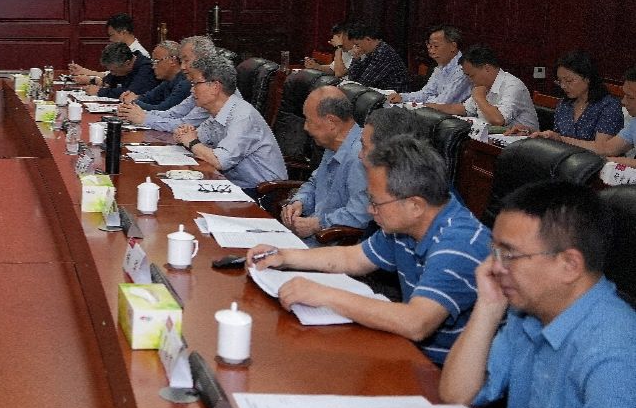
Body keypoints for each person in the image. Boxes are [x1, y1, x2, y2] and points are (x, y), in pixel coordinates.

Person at [394, 182, 636, 408]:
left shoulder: (615, 350)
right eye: (494, 252)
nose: (493, 267)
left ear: (569, 264)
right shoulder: (533, 312)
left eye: (509, 255)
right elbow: (458, 394)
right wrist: (488, 307)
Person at [248, 136, 490, 364]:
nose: (369, 211)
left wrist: (325, 295)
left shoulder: (458, 244)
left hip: (442, 371)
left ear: (415, 205)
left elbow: (416, 323)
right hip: (409, 352)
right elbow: (352, 258)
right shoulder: (407, 224)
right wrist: (285, 255)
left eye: (375, 202)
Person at [173, 54, 286, 189]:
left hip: (263, 191)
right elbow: (196, 139)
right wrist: (183, 134)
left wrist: (191, 141)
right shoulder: (217, 114)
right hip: (235, 185)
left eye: (195, 83)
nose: (192, 90)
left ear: (215, 87)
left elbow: (220, 161)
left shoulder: (243, 116)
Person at [281, 86, 370, 240]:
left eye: (309, 120)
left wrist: (317, 224)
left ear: (331, 122)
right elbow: (315, 183)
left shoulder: (361, 156)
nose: (305, 127)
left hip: (335, 245)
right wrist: (299, 202)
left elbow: (360, 214)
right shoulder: (333, 144)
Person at [531, 50, 624, 151]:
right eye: (560, 81)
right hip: (566, 157)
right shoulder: (564, 104)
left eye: (569, 81)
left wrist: (561, 139)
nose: (563, 86)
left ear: (587, 78)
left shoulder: (609, 105)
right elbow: (556, 138)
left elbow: (602, 148)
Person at [434, 44, 539, 131]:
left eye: (472, 76)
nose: (470, 80)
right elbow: (464, 109)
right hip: (494, 137)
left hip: (523, 142)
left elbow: (498, 120)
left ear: (487, 68)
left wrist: (479, 97)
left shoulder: (513, 86)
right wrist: (431, 107)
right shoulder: (483, 85)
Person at [125, 35, 214, 131]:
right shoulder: (177, 81)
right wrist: (138, 113)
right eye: (182, 61)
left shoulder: (193, 85)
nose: (182, 66)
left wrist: (143, 117)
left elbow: (184, 124)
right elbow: (173, 113)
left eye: (186, 60)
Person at [389, 25, 470, 106]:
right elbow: (426, 93)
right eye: (430, 46)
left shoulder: (465, 69)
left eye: (436, 46)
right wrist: (402, 97)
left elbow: (442, 103)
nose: (431, 51)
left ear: (453, 46)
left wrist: (420, 103)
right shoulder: (441, 66)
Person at [68, 13, 150, 82]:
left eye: (112, 35)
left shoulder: (140, 54)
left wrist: (91, 79)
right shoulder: (122, 50)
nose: (110, 39)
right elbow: (112, 74)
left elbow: (120, 79)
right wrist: (84, 71)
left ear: (123, 32)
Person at [117, 40, 189, 113]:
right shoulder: (167, 81)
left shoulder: (185, 83)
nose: (153, 67)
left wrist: (133, 101)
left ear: (172, 61)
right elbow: (148, 98)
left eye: (156, 61)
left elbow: (163, 110)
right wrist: (134, 97)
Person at [344, 21, 412, 92]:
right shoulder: (373, 52)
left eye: (357, 45)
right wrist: (356, 59)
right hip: (380, 93)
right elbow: (352, 79)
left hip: (396, 95)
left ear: (368, 39)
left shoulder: (383, 53)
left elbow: (363, 83)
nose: (356, 48)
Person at [84, 42, 156, 99]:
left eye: (113, 71)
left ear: (127, 63)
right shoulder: (123, 65)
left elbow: (129, 93)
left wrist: (100, 92)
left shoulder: (147, 69)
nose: (112, 73)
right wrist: (98, 82)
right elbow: (109, 81)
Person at [599, 67, 636, 167]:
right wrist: (563, 140)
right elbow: (607, 149)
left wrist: (609, 161)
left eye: (630, 97)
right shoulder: (634, 122)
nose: (623, 101)